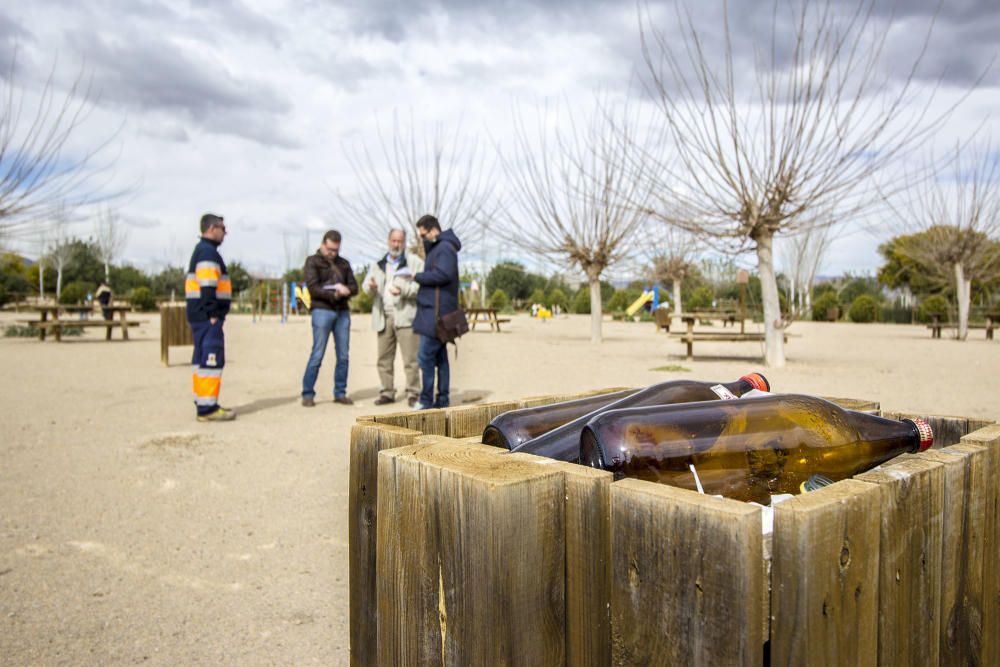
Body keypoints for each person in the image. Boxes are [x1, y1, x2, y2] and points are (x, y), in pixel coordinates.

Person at [365, 228, 424, 407]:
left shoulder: (415, 262)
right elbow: (366, 287)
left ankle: (413, 393)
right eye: (393, 241)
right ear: (388, 241)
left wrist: (403, 290)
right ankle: (387, 392)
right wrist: (371, 287)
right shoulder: (378, 264)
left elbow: (422, 287)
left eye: (400, 241)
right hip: (384, 317)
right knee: (383, 359)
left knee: (411, 360)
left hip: (407, 318)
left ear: (404, 242)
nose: (396, 244)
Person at [186, 213, 235, 422]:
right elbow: (207, 285)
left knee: (200, 359)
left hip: (199, 316)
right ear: (212, 228)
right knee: (211, 358)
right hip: (208, 318)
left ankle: (201, 400)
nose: (225, 233)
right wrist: (213, 312)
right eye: (223, 229)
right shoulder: (207, 253)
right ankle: (207, 408)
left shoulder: (203, 250)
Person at [301, 230, 358, 407]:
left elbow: (354, 287)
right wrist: (334, 293)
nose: (333, 253)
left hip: (342, 312)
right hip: (322, 310)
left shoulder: (344, 263)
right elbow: (312, 288)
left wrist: (347, 290)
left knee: (343, 355)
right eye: (330, 249)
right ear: (323, 244)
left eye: (336, 250)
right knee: (317, 354)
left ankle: (340, 392)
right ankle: (308, 393)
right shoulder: (312, 261)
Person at [412, 214, 461, 409]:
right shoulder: (440, 247)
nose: (423, 238)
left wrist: (417, 276)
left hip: (436, 314)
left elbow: (443, 274)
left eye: (424, 234)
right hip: (435, 312)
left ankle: (426, 400)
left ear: (433, 230)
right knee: (440, 358)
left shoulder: (444, 248)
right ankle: (442, 399)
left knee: (425, 357)